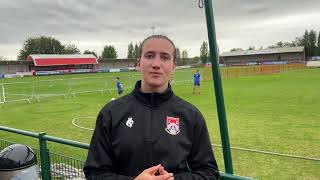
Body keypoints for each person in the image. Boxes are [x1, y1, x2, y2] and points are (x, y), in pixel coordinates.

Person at [83, 35, 219, 180]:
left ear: (173, 67)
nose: (156, 64)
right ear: (138, 63)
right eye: (149, 56)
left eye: (165, 57)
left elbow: (209, 173)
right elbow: (94, 172)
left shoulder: (191, 116)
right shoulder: (111, 113)